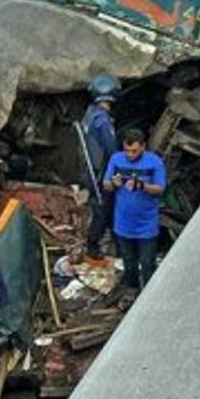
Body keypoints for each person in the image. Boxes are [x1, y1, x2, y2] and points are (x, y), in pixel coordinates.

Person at [101, 128, 167, 293]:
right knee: (129, 263)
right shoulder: (116, 159)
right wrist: (113, 183)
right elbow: (106, 184)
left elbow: (160, 188)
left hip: (147, 224)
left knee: (147, 263)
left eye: (134, 151)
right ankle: (132, 291)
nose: (130, 155)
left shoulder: (155, 162)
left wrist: (142, 186)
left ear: (143, 147)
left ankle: (149, 295)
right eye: (127, 150)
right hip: (123, 223)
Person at [79, 74, 120, 261]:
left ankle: (106, 246)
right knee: (103, 211)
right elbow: (111, 149)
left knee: (103, 210)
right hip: (101, 172)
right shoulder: (102, 120)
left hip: (91, 171)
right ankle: (93, 248)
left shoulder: (90, 114)